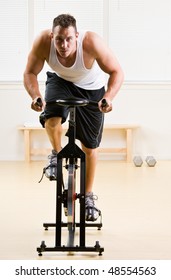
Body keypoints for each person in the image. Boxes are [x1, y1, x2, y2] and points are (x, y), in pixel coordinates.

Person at [23, 14, 124, 221]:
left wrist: (108, 97)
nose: (64, 44)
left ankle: (87, 196)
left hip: (91, 90)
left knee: (90, 148)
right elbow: (29, 73)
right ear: (52, 36)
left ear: (77, 36)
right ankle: (56, 154)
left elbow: (117, 71)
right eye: (59, 39)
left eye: (69, 39)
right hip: (61, 82)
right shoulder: (43, 42)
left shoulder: (91, 42)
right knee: (51, 118)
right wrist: (35, 96)